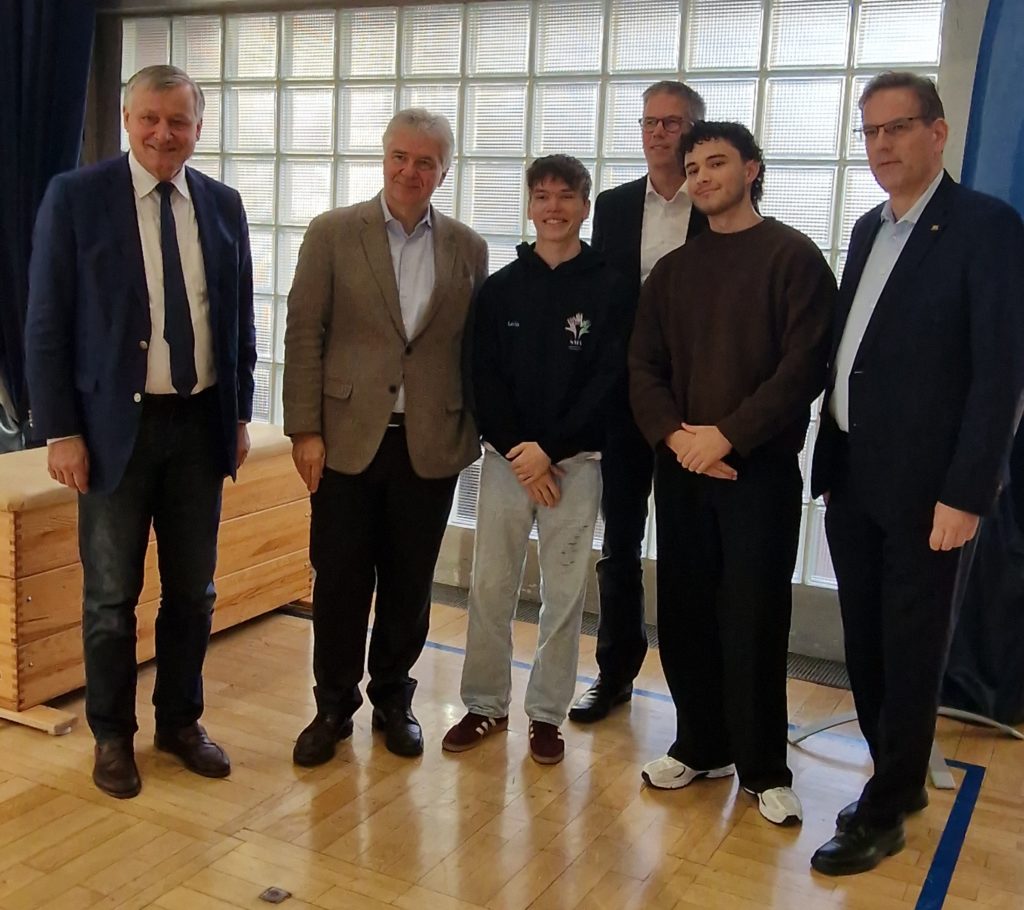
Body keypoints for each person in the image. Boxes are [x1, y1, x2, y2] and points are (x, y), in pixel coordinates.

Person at [809, 72, 1024, 875]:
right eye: (870, 132)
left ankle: (889, 805)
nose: (883, 145)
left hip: (931, 493)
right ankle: (893, 776)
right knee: (863, 644)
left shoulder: (986, 227)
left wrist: (968, 492)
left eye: (898, 128)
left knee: (909, 651)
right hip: (855, 478)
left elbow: (1001, 374)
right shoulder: (870, 228)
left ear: (938, 134)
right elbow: (854, 358)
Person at [24, 64, 256, 799]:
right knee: (110, 598)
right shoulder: (76, 197)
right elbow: (45, 325)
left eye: (179, 121)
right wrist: (60, 430)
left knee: (194, 592)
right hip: (111, 429)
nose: (164, 133)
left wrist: (240, 413)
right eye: (150, 118)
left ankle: (180, 723)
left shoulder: (222, 204)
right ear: (127, 120)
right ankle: (112, 737)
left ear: (197, 127)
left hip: (200, 425)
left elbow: (238, 321)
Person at [629, 122, 835, 825]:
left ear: (752, 168)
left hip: (756, 475)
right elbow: (643, 367)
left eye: (717, 162)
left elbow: (802, 367)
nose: (703, 176)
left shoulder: (793, 257)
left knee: (752, 618)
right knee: (684, 613)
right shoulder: (674, 271)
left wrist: (727, 437)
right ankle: (701, 745)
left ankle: (763, 767)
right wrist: (677, 437)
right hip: (683, 468)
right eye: (692, 167)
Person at [284, 108, 488, 764]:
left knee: (410, 582)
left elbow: (476, 347)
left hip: (429, 443)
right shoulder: (333, 233)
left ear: (444, 171)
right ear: (383, 158)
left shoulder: (467, 246)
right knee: (341, 579)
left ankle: (394, 699)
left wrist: (476, 426)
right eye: (401, 156)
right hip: (344, 441)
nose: (411, 171)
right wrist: (304, 429)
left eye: (426, 162)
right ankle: (332, 706)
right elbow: (304, 331)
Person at [442, 155, 629, 764]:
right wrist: (524, 455)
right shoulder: (501, 288)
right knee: (491, 585)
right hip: (506, 460)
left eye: (566, 196)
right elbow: (483, 376)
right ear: (528, 205)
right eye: (542, 196)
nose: (553, 207)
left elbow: (609, 378)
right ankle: (485, 705)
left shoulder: (610, 283)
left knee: (565, 590)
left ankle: (546, 713)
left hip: (577, 462)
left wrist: (553, 451)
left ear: (584, 205)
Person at [569, 81, 709, 724]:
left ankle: (696, 692)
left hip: (698, 404)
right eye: (650, 122)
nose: (659, 133)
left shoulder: (714, 200)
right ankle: (614, 673)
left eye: (672, 122)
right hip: (628, 396)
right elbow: (602, 296)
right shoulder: (617, 204)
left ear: (696, 132)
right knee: (619, 543)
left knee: (689, 550)